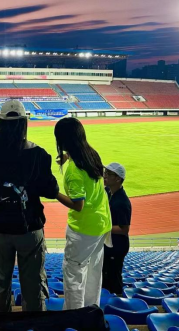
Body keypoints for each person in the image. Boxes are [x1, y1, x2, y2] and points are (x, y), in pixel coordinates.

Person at [0, 100, 60, 314]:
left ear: (1, 123)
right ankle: (33, 326)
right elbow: (51, 190)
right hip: (30, 228)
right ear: (24, 123)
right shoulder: (39, 154)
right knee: (33, 286)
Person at [54, 117, 112, 310]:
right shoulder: (92, 155)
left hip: (83, 230)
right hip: (101, 224)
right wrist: (68, 157)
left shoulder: (73, 171)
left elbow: (78, 205)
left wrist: (54, 193)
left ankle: (75, 317)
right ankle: (90, 313)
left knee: (74, 275)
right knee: (93, 274)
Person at [102, 163, 132, 295]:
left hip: (117, 246)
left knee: (113, 278)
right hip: (110, 243)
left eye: (109, 174)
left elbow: (124, 229)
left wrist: (103, 227)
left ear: (118, 179)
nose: (105, 176)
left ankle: (117, 300)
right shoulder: (108, 192)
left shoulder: (122, 202)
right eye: (105, 172)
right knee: (105, 276)